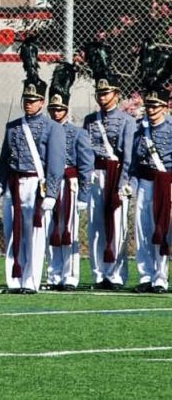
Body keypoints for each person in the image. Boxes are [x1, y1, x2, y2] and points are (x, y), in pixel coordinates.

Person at [0, 73, 65, 294]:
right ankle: (14, 280)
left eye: (33, 100)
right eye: (26, 100)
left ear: (42, 102)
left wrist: (51, 193)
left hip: (35, 183)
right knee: (12, 231)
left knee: (34, 233)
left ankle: (30, 281)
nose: (29, 104)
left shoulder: (52, 128)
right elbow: (5, 159)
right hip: (13, 183)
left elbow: (55, 163)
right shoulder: (12, 127)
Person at [82, 45, 136, 290]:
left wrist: (124, 181)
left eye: (106, 93)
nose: (102, 97)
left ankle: (116, 274)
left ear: (116, 94)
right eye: (99, 93)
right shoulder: (90, 121)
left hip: (116, 175)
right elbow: (84, 151)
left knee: (117, 225)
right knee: (95, 226)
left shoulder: (126, 121)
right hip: (96, 174)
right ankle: (98, 274)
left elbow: (128, 155)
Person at [45, 63, 94, 291]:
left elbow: (85, 166)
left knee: (69, 229)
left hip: (69, 183)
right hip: (48, 184)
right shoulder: (44, 129)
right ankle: (53, 275)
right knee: (49, 229)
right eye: (53, 109)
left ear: (66, 109)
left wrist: (84, 193)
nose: (56, 113)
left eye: (60, 109)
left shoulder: (77, 133)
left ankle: (70, 276)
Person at [128, 82, 172, 292]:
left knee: (161, 229)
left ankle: (160, 278)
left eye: (156, 106)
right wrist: (131, 186)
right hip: (145, 183)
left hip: (165, 184)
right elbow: (135, 164)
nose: (152, 110)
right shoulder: (139, 131)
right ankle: (146, 275)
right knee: (142, 229)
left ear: (165, 107)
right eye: (149, 106)